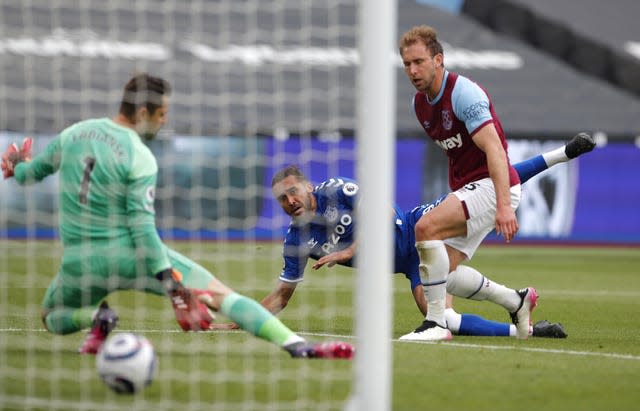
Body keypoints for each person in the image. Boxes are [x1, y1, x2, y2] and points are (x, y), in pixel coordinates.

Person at [1, 73, 354, 360]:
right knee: (224, 298)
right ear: (144, 114)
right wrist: (176, 290)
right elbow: (142, 231)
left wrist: (16, 165)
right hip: (131, 256)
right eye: (162, 114)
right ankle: (298, 347)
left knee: (52, 317)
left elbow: (30, 175)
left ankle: (96, 318)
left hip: (79, 261)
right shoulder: (139, 156)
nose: (165, 120)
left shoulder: (73, 134)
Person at [213, 133, 592, 339]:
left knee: (485, 189)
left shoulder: (334, 190)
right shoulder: (296, 241)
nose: (291, 201)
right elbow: (282, 295)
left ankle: (561, 153)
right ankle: (522, 324)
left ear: (308, 187)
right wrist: (247, 317)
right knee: (439, 318)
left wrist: (351, 252)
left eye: (294, 191)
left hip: (417, 225)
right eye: (282, 199)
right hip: (412, 262)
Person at [397, 24, 551, 341]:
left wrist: (504, 206)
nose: (412, 70)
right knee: (442, 275)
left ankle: (437, 324)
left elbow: (495, 148)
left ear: (438, 59)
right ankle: (516, 300)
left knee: (424, 228)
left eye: (419, 62)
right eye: (407, 64)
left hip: (494, 186)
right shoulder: (419, 105)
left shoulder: (464, 93)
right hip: (472, 187)